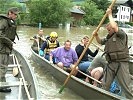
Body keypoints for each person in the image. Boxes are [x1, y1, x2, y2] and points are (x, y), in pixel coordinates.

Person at [92, 8, 133, 99]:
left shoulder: (121, 34)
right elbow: (100, 42)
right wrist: (96, 35)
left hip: (121, 64)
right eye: (108, 30)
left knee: (126, 86)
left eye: (109, 29)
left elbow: (114, 27)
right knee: (105, 85)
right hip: (110, 64)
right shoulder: (108, 37)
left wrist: (109, 14)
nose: (108, 31)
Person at [0, 7, 19, 92]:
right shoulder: (4, 21)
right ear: (10, 13)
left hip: (6, 48)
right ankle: (1, 86)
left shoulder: (9, 21)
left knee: (3, 66)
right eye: (15, 14)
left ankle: (2, 83)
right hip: (2, 49)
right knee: (2, 67)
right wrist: (9, 42)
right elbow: (0, 35)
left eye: (17, 14)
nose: (16, 16)